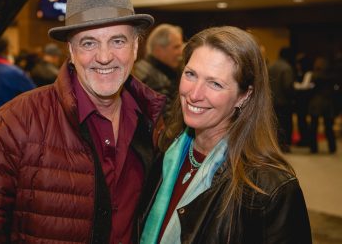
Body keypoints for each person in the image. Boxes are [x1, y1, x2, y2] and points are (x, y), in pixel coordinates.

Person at [0, 0, 166, 243]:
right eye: (88, 43)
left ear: (135, 48)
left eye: (117, 41)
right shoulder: (15, 123)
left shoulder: (156, 124)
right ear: (71, 51)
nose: (104, 56)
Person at [140, 26, 312, 244]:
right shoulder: (164, 152)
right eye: (191, 74)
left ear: (244, 96)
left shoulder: (270, 189)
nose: (194, 94)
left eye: (215, 83)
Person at [133, 23, 184, 121]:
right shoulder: (156, 80)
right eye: (176, 47)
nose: (181, 52)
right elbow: (168, 122)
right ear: (159, 50)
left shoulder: (139, 67)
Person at [308, 56, 337, 154]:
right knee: (328, 126)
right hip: (328, 103)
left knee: (314, 126)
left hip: (316, 102)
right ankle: (332, 147)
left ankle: (313, 148)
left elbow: (310, 90)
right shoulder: (331, 76)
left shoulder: (315, 76)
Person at [268, 47, 295, 152]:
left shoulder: (271, 66)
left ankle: (275, 146)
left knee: (275, 125)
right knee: (286, 124)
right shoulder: (287, 68)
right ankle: (285, 146)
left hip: (272, 100)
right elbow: (287, 86)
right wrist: (293, 97)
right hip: (284, 101)